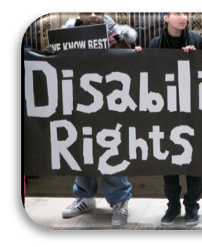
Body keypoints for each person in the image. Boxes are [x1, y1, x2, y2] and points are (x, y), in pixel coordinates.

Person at [43, 12, 138, 227]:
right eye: (88, 12)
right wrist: (51, 55)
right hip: (78, 101)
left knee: (110, 149)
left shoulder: (118, 35)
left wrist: (121, 45)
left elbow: (130, 64)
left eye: (98, 11)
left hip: (109, 102)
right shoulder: (66, 37)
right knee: (80, 148)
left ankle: (120, 201)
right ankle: (84, 197)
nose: (94, 16)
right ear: (80, 14)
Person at [146, 12, 202, 226]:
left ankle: (192, 207)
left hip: (192, 113)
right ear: (165, 18)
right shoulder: (154, 44)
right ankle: (173, 206)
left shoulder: (197, 42)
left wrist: (196, 59)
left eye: (185, 13)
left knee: (193, 162)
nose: (183, 17)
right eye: (176, 13)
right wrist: (135, 59)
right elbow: (148, 74)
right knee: (169, 161)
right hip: (166, 113)